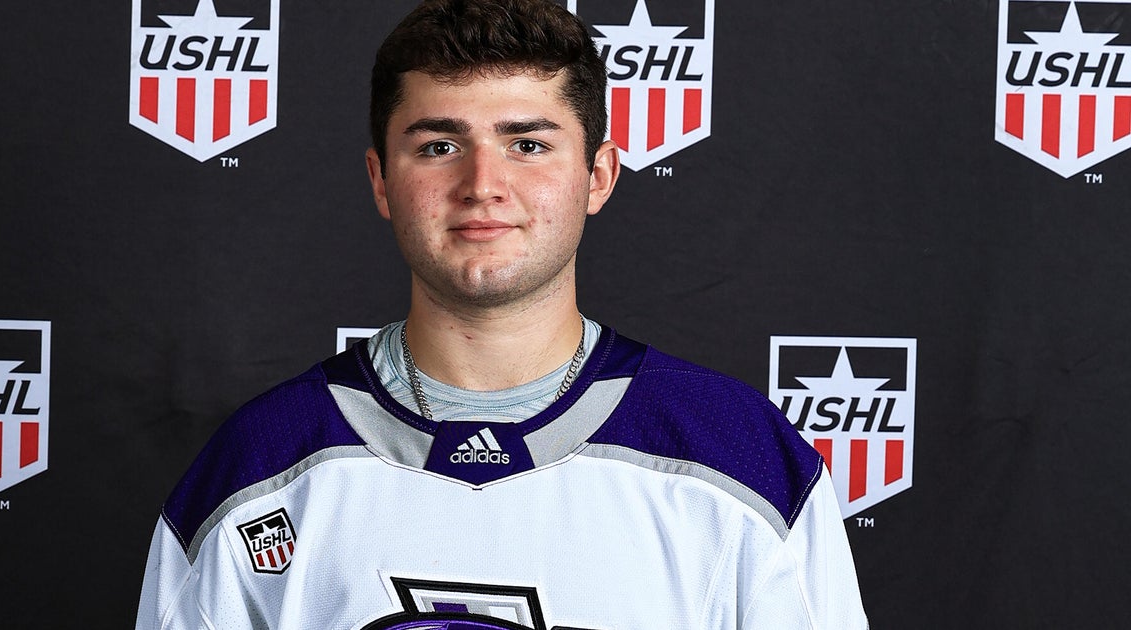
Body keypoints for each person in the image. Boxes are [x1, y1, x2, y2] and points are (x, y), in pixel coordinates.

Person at [135, 0, 868, 628]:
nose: (482, 184)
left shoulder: (737, 460)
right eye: (439, 145)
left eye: (528, 144)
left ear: (598, 175)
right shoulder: (261, 467)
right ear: (382, 181)